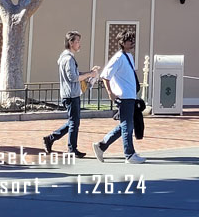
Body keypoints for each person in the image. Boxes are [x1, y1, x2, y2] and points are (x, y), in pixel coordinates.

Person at [44, 31, 100, 158]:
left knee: (73, 121)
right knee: (74, 122)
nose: (79, 44)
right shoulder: (68, 59)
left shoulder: (66, 58)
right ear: (71, 42)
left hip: (70, 94)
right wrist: (90, 75)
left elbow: (75, 73)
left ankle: (51, 139)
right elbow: (73, 77)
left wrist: (89, 72)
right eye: (77, 41)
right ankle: (71, 148)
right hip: (71, 95)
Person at [93, 31, 145, 164]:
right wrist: (110, 92)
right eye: (129, 40)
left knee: (125, 125)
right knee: (127, 126)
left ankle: (102, 146)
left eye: (133, 39)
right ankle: (129, 154)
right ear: (122, 42)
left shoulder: (128, 56)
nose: (132, 42)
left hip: (130, 96)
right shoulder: (118, 58)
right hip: (124, 97)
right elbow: (105, 75)